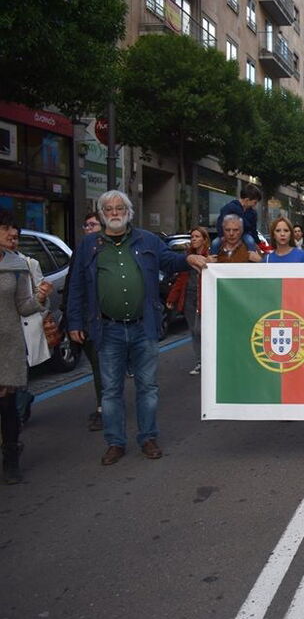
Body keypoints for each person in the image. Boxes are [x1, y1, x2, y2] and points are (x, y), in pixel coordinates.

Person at [67, 190, 209, 466]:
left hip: (144, 326)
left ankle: (147, 437)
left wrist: (189, 259)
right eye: (108, 209)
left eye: (120, 208)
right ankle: (115, 442)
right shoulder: (88, 246)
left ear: (129, 212)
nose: (114, 213)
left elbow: (169, 260)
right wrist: (74, 322)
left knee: (148, 387)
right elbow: (76, 286)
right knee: (110, 390)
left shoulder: (147, 240)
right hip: (107, 329)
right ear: (101, 214)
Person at [0, 211, 51, 483]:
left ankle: (10, 460)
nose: (12, 234)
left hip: (7, 347)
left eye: (14, 229)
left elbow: (23, 307)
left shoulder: (17, 265)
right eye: (6, 228)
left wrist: (40, 296)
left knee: (7, 407)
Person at [61, 212, 106, 430]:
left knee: (101, 365)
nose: (88, 228)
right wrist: (73, 320)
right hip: (86, 319)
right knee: (98, 364)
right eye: (86, 224)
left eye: (93, 224)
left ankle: (103, 408)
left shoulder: (109, 251)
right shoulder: (81, 251)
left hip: (105, 320)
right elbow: (73, 286)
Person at [8, 225, 49, 426]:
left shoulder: (28, 264)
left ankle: (17, 420)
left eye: (16, 237)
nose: (12, 240)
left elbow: (40, 301)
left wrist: (41, 296)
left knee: (18, 380)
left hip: (20, 331)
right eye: (8, 235)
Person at [166, 227, 210, 376]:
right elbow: (180, 279)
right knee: (194, 331)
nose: (194, 239)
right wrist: (173, 297)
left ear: (204, 239)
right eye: (192, 237)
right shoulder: (187, 257)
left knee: (201, 330)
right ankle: (200, 362)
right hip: (189, 297)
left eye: (197, 236)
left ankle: (209, 360)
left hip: (204, 298)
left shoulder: (209, 256)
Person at [212, 183, 261, 254]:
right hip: (228, 234)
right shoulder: (230, 207)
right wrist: (222, 235)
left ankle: (252, 262)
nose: (255, 205)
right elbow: (220, 222)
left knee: (250, 241)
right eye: (255, 202)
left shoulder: (253, 213)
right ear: (247, 200)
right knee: (215, 243)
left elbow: (253, 229)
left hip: (245, 234)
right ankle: (212, 261)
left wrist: (258, 242)